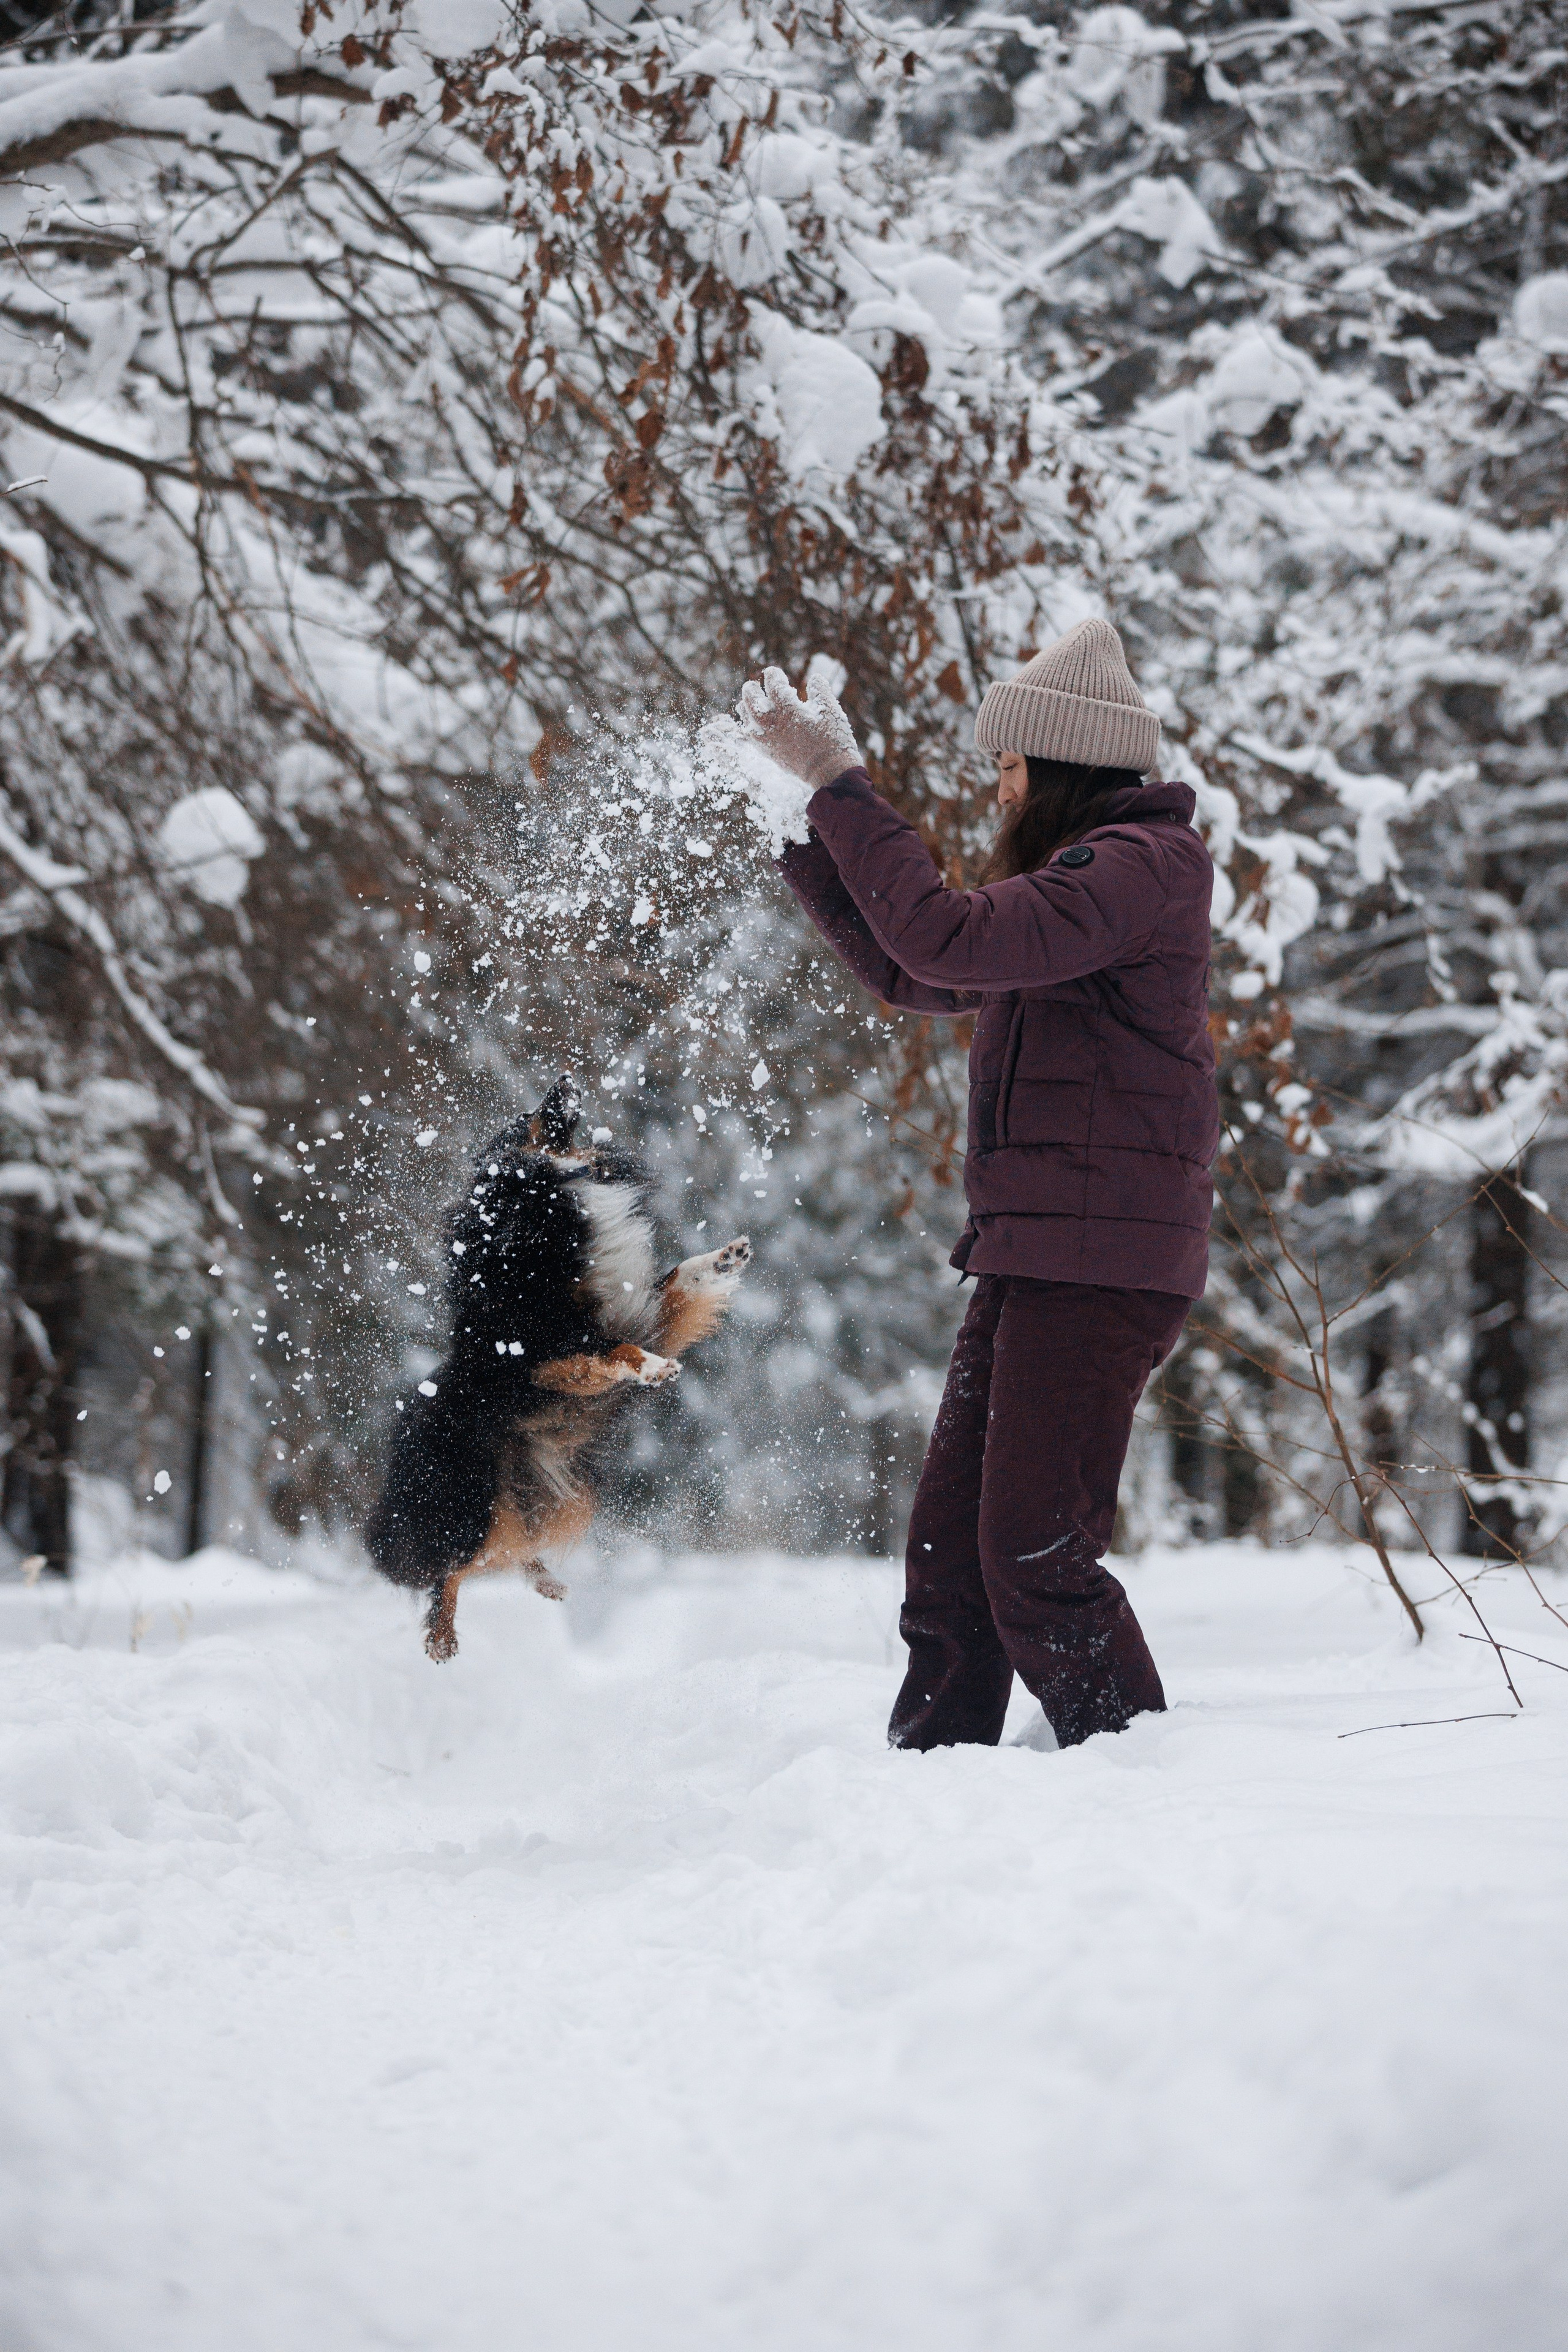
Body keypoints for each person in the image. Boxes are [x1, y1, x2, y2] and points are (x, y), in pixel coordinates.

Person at [736, 620, 1218, 1752]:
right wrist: (798, 828)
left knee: (1036, 1555)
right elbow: (919, 970)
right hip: (1037, 1253)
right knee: (953, 1558)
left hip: (1097, 1264)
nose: (1000, 790)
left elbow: (944, 935)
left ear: (1061, 763)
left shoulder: (1137, 872)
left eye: (1011, 767)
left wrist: (838, 783)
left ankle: (1139, 1775)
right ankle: (932, 1779)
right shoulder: (1076, 889)